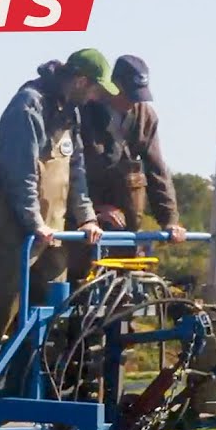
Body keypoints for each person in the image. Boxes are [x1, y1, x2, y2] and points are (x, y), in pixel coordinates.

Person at [0, 49, 117, 399]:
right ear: (81, 80)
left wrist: (87, 217)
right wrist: (35, 223)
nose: (96, 97)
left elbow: (75, 170)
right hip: (10, 233)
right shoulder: (27, 106)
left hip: (53, 233)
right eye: (96, 89)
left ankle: (30, 399)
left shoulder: (70, 113)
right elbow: (21, 173)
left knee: (50, 316)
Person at [67, 54, 187, 280]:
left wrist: (170, 220)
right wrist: (94, 211)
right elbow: (68, 172)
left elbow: (157, 171)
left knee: (127, 287)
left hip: (127, 230)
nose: (134, 102)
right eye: (129, 94)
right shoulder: (83, 112)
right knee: (78, 283)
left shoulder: (145, 117)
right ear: (114, 86)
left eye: (139, 96)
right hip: (82, 229)